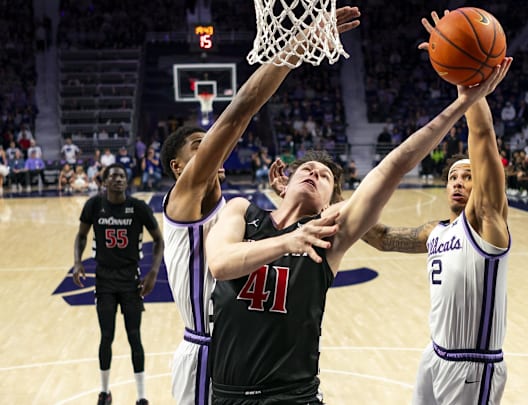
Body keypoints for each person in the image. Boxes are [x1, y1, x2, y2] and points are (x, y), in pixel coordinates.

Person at [204, 45, 512, 405]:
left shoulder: (329, 235)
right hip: (225, 393)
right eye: (307, 169)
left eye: (324, 178)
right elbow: (220, 264)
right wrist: (290, 240)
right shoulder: (243, 211)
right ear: (282, 183)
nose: (315, 173)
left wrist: (462, 103)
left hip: (292, 396)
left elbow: (394, 165)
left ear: (332, 202)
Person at [158, 7, 362, 405]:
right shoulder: (184, 202)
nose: (213, 146)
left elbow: (269, 233)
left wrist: (285, 197)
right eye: (200, 146)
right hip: (205, 353)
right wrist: (297, 46)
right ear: (179, 167)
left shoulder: (235, 208)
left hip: (243, 354)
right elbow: (239, 113)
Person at [72, 163, 164, 405]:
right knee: (106, 336)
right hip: (104, 280)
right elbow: (81, 235)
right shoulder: (94, 205)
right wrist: (77, 262)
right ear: (105, 181)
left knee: (135, 336)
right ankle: (104, 392)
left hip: (130, 280)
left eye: (122, 176)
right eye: (113, 176)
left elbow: (159, 241)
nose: (118, 179)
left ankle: (142, 396)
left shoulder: (138, 208)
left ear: (126, 180)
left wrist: (153, 272)